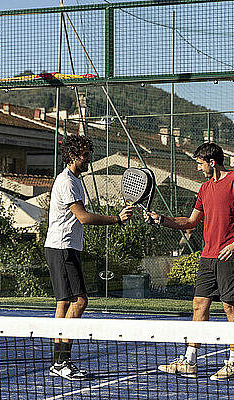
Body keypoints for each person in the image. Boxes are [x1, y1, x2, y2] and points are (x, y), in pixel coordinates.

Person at [145, 142, 234, 381]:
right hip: (208, 257)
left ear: (212, 162)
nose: (198, 168)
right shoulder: (205, 188)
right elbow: (190, 221)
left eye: (200, 163)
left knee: (230, 307)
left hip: (230, 255)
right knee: (199, 304)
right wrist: (161, 219)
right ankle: (190, 360)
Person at [45, 134, 133, 380]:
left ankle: (58, 362)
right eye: (85, 156)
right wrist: (117, 219)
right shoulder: (67, 182)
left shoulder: (73, 179)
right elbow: (83, 217)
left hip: (62, 248)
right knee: (80, 301)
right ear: (73, 156)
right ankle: (62, 361)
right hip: (62, 248)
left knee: (64, 303)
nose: (88, 160)